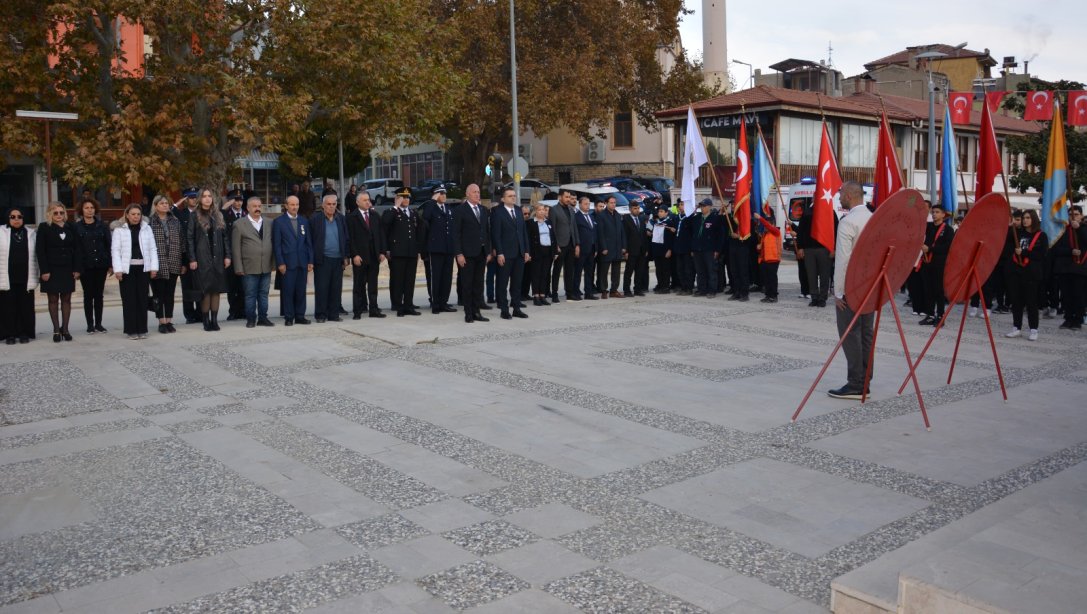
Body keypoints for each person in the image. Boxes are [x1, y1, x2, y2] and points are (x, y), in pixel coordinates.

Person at [829, 181, 874, 399]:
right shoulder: (873, 218)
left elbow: (843, 260)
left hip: (852, 287)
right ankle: (865, 380)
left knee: (850, 334)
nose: (838, 197)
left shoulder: (848, 222)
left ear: (849, 194)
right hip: (871, 286)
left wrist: (839, 292)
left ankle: (856, 382)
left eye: (840, 193)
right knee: (866, 334)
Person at [185, 189, 232, 331]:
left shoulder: (218, 215)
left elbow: (225, 237)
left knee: (216, 290)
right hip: (202, 258)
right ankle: (205, 320)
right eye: (204, 196)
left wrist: (227, 256)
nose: (207, 199)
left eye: (209, 196)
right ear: (200, 199)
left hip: (217, 257)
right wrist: (192, 258)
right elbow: (189, 238)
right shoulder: (194, 215)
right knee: (205, 290)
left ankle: (214, 320)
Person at [110, 204, 158, 340]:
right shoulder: (120, 230)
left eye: (138, 214)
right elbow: (115, 251)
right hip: (127, 269)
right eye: (133, 214)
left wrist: (154, 267)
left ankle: (142, 329)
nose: (136, 217)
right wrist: (118, 269)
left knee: (142, 299)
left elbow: (152, 249)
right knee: (129, 300)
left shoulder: (146, 229)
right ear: (127, 215)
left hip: (143, 268)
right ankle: (131, 330)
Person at [37, 202, 83, 342]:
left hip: (67, 268)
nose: (58, 215)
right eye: (55, 213)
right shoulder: (44, 227)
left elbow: (77, 249)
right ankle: (56, 330)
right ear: (50, 213)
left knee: (66, 299)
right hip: (51, 269)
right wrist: (44, 270)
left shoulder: (71, 227)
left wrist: (77, 268)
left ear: (65, 214)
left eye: (61, 212)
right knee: (52, 299)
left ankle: (65, 329)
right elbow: (40, 250)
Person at [232, 196, 276, 328]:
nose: (257, 209)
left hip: (266, 265)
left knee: (264, 294)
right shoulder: (239, 224)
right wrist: (238, 267)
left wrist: (273, 263)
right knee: (250, 294)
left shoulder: (269, 223)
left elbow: (273, 244)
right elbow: (235, 248)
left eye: (259, 206)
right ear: (248, 208)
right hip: (248, 267)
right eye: (254, 206)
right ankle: (251, 319)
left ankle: (263, 318)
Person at [1006, 209, 1048, 341]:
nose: (1025, 220)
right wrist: (1010, 226)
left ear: (1034, 219)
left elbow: (1041, 255)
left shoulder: (1041, 236)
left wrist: (1024, 253)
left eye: (1028, 218)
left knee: (1031, 303)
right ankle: (1016, 327)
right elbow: (1007, 240)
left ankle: (1034, 329)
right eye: (1023, 218)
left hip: (1031, 273)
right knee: (1016, 302)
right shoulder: (1019, 233)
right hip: (1017, 272)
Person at [452, 183, 491, 322]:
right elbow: (455, 234)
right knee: (467, 284)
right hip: (467, 254)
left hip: (481, 252)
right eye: (474, 192)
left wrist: (488, 251)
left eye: (479, 191)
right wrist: (459, 254)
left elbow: (487, 232)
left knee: (478, 284)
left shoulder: (483, 210)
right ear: (468, 194)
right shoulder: (460, 210)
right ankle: (468, 313)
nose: (477, 194)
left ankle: (477, 312)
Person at [382, 187, 424, 316]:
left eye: (407, 197)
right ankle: (397, 305)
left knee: (410, 280)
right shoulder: (391, 212)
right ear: (397, 198)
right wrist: (396, 206)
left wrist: (417, 250)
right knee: (397, 280)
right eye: (403, 197)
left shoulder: (413, 213)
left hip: (411, 252)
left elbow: (418, 232)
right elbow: (385, 224)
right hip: (397, 252)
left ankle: (408, 305)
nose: (406, 199)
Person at [273, 195, 314, 325]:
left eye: (297, 204)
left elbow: (309, 243)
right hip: (287, 263)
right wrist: (280, 262)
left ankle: (300, 316)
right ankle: (289, 317)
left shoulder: (304, 221)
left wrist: (310, 261)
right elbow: (277, 245)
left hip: (302, 262)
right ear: (286, 206)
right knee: (288, 291)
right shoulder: (279, 222)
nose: (295, 207)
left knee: (301, 291)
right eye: (292, 205)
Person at [309, 193, 349, 322]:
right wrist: (311, 260)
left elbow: (346, 239)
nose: (331, 207)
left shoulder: (341, 219)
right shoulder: (315, 219)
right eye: (329, 204)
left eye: (334, 204)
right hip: (322, 259)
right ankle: (321, 315)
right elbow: (310, 241)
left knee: (336, 288)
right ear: (323, 205)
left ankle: (334, 314)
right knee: (322, 288)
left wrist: (346, 256)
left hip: (338, 259)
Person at [491, 187, 530, 319]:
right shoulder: (497, 212)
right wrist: (500, 252)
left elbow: (523, 232)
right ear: (503, 199)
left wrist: (526, 250)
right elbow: (496, 235)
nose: (513, 198)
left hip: (519, 253)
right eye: (510, 196)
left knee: (517, 283)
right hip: (506, 253)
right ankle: (504, 309)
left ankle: (516, 308)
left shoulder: (519, 210)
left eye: (514, 195)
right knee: (502, 283)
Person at [346, 192, 387, 319]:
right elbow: (350, 239)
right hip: (360, 257)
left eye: (368, 200)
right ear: (357, 202)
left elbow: (381, 235)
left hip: (374, 256)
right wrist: (354, 255)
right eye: (364, 200)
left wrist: (382, 252)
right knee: (359, 285)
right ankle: (357, 311)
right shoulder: (352, 217)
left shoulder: (375, 215)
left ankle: (373, 309)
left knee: (373, 285)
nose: (367, 202)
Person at [74, 197, 111, 334]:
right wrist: (77, 268)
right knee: (88, 295)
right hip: (86, 266)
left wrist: (110, 264)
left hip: (101, 264)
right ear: (81, 210)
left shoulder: (102, 225)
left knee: (99, 295)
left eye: (92, 208)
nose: (89, 210)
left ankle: (99, 324)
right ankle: (90, 324)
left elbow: (109, 245)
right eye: (86, 208)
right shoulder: (76, 227)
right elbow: (76, 249)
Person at [0, 206, 37, 344]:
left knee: (25, 307)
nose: (16, 219)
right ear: (8, 218)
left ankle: (23, 333)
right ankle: (9, 334)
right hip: (7, 276)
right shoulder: (1, 232)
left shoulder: (31, 233)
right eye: (13, 217)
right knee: (8, 307)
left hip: (26, 276)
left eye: (19, 217)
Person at [149, 195, 183, 334]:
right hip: (157, 262)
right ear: (155, 205)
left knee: (170, 293)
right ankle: (161, 321)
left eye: (167, 203)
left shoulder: (175, 221)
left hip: (174, 261)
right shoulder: (150, 222)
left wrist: (183, 262)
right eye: (161, 203)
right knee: (159, 294)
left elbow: (182, 242)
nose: (165, 205)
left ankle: (169, 320)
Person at [421, 185, 457, 314]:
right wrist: (432, 201)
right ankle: (435, 303)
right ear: (435, 195)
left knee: (447, 277)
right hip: (436, 248)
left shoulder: (448, 209)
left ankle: (444, 302)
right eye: (441, 193)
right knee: (435, 277)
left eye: (445, 193)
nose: (444, 195)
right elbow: (425, 218)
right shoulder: (430, 207)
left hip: (448, 248)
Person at [918, 204, 954, 326]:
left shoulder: (948, 230)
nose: (934, 214)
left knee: (938, 290)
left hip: (939, 264)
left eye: (937, 212)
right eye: (933, 212)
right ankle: (930, 314)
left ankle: (940, 315)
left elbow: (948, 247)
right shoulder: (928, 227)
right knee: (928, 290)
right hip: (927, 262)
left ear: (943, 214)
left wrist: (931, 249)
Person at [797, 198, 836, 307]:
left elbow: (836, 230)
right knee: (811, 274)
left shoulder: (830, 212)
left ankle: (822, 298)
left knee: (825, 275)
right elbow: (801, 231)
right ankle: (814, 297)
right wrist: (800, 247)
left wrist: (834, 248)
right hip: (809, 249)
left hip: (824, 248)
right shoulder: (807, 212)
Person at [1053, 205, 1086, 330]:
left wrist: (1079, 229)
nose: (1073, 217)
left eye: (1076, 214)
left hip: (1080, 268)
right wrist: (1070, 251)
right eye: (1071, 215)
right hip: (1065, 268)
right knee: (1066, 295)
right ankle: (1068, 318)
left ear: (1081, 216)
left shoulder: (1084, 228)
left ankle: (1078, 319)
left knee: (1078, 295)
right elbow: (1056, 249)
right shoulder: (1063, 230)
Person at [174, 187, 201, 323]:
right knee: (188, 288)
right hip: (185, 257)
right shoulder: (180, 214)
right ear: (185, 199)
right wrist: (178, 203)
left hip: (201, 257)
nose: (194, 199)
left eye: (195, 197)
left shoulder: (202, 213)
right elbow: (168, 211)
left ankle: (201, 314)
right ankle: (189, 315)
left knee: (201, 287)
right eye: (190, 197)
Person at [548, 188, 581, 302]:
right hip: (560, 245)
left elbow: (574, 228)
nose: (568, 199)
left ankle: (569, 293)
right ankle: (555, 294)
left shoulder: (571, 210)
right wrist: (555, 245)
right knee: (557, 270)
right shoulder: (554, 210)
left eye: (569, 197)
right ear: (560, 197)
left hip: (571, 244)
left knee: (569, 270)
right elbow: (553, 229)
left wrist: (577, 244)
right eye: (566, 197)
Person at [222, 190, 248, 321]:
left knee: (243, 287)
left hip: (244, 256)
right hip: (231, 256)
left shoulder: (246, 214)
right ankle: (233, 311)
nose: (238, 202)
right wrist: (224, 208)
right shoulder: (226, 214)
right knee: (232, 287)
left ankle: (243, 310)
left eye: (240, 200)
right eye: (235, 200)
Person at [690, 198, 722, 299]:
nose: (702, 208)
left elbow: (720, 236)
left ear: (709, 207)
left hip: (709, 249)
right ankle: (701, 289)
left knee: (711, 270)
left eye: (704, 206)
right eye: (701, 206)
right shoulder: (697, 218)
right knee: (700, 271)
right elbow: (688, 226)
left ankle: (712, 290)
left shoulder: (715, 218)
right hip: (697, 248)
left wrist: (717, 250)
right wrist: (693, 211)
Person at [595, 196, 626, 298]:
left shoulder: (617, 215)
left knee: (616, 271)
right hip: (607, 248)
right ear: (606, 203)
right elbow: (600, 233)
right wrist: (603, 247)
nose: (613, 204)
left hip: (617, 247)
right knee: (604, 270)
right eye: (611, 203)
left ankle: (614, 290)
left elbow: (622, 231)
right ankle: (604, 290)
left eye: (614, 203)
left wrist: (623, 246)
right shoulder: (601, 215)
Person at [526, 204, 556, 306]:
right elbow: (528, 239)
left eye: (543, 210)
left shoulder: (548, 222)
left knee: (545, 274)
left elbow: (553, 237)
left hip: (548, 251)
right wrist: (528, 253)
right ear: (535, 211)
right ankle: (536, 296)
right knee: (536, 274)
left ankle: (543, 295)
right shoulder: (530, 223)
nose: (542, 212)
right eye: (539, 210)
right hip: (536, 251)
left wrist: (555, 251)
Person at [573, 196, 599, 300]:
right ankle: (576, 292)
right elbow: (575, 233)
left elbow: (594, 233)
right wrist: (577, 245)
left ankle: (589, 292)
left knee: (589, 272)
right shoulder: (576, 217)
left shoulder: (591, 217)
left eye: (589, 204)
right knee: (578, 271)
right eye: (585, 204)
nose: (587, 206)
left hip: (591, 248)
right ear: (580, 205)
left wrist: (596, 247)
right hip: (581, 248)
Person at [622, 201, 649, 297]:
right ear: (630, 209)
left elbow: (644, 235)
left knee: (639, 271)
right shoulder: (626, 220)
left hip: (641, 250)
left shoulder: (641, 219)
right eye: (635, 208)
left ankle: (637, 289)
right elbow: (624, 236)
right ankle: (626, 290)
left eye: (638, 208)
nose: (637, 210)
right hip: (631, 250)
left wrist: (645, 249)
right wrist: (625, 250)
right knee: (629, 271)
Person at [649, 202, 675, 293]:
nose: (659, 213)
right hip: (657, 249)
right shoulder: (656, 223)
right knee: (658, 269)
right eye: (659, 211)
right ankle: (660, 284)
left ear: (666, 213)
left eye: (661, 211)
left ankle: (665, 286)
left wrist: (670, 249)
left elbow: (671, 238)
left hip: (665, 250)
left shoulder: (669, 223)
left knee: (665, 269)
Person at [756, 209, 781, 303]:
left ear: (772, 224)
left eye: (767, 225)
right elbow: (763, 248)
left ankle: (774, 296)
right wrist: (759, 248)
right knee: (766, 279)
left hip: (773, 259)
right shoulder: (765, 234)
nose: (765, 227)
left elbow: (769, 226)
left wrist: (760, 218)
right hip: (765, 260)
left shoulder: (776, 231)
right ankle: (768, 295)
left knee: (772, 279)